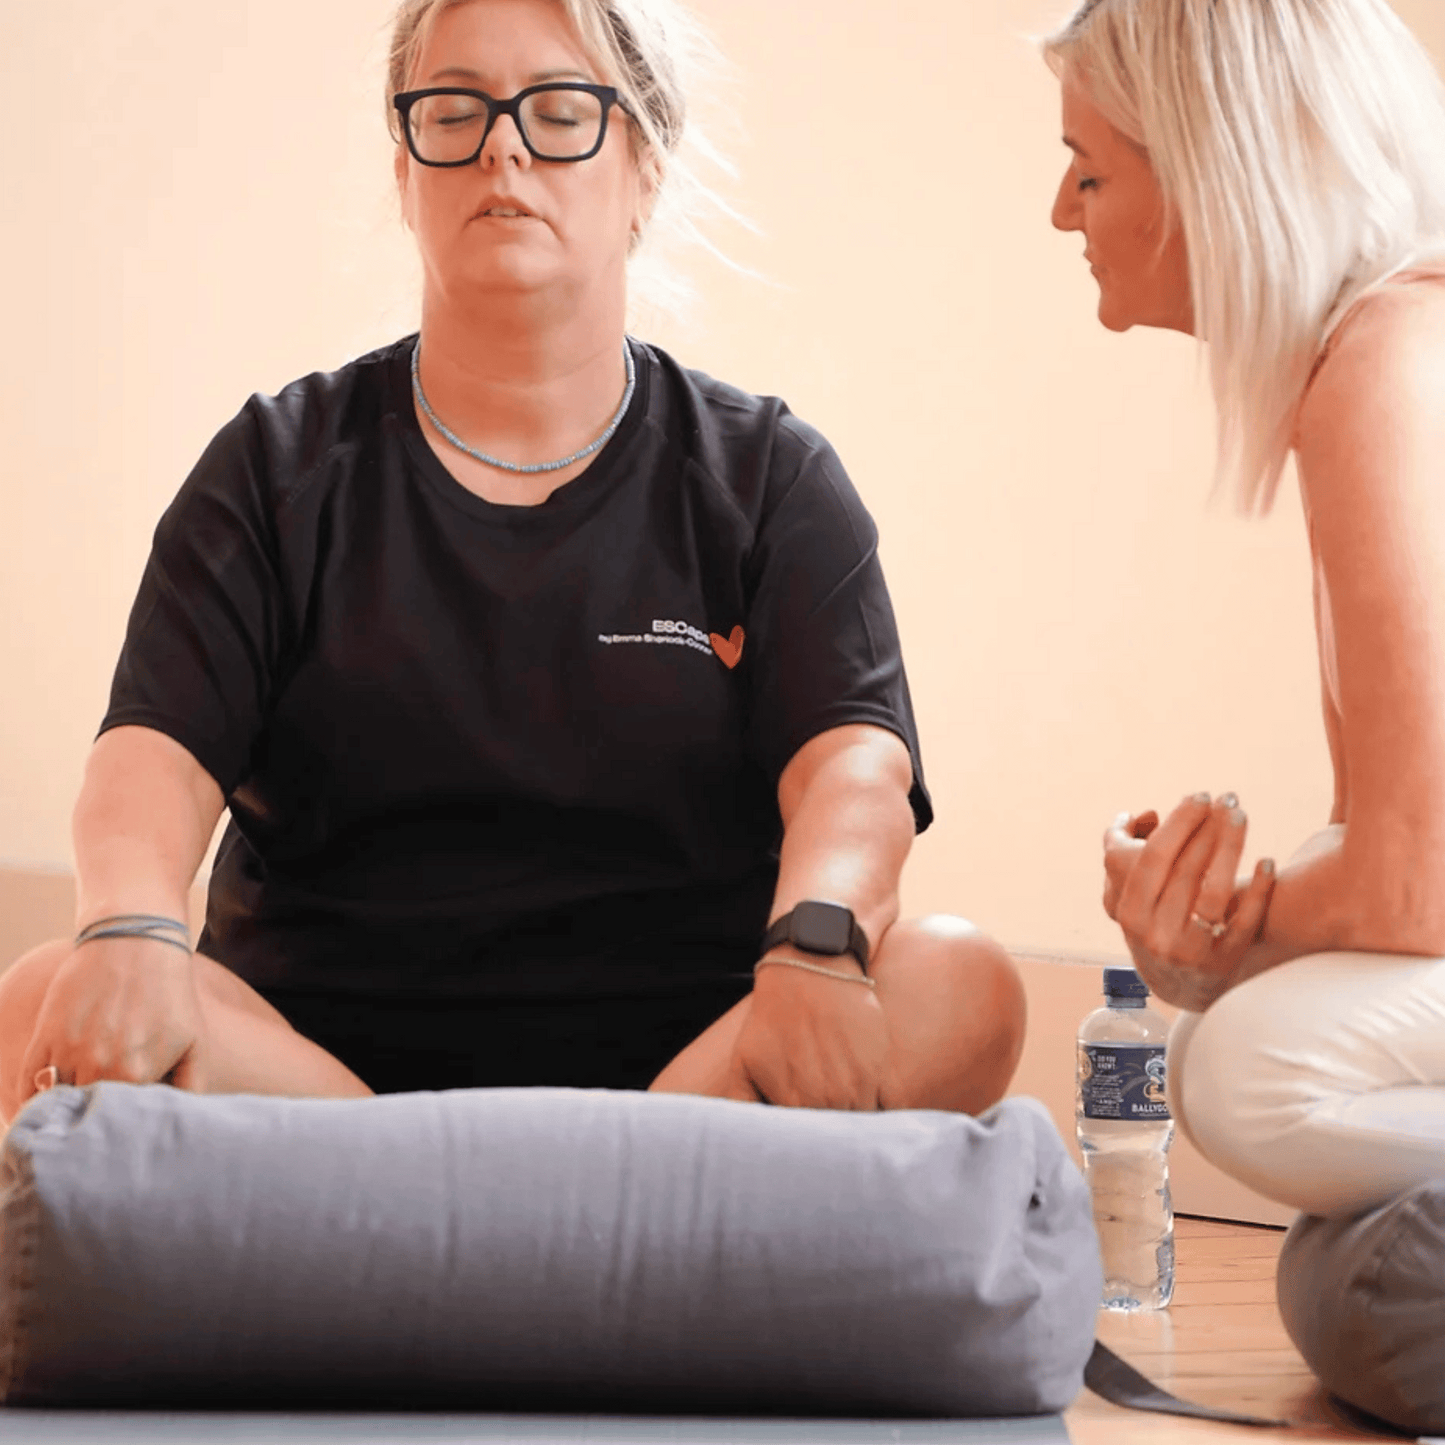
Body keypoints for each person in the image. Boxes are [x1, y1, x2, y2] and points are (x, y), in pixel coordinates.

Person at [0, 0, 1025, 1122]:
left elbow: (852, 771)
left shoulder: (767, 479)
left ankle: (457, 1257)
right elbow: (150, 755)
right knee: (38, 997)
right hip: (317, 1109)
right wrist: (134, 926)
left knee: (958, 980)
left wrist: (816, 942)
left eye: (558, 109)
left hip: (685, 1100)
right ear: (404, 171)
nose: (503, 145)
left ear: (643, 165)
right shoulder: (275, 467)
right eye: (455, 109)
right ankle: (543, 1252)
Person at [1045, 0, 1445, 1220]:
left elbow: (1413, 881)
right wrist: (1206, 937)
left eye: (1090, 168)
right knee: (1347, 1272)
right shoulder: (1385, 340)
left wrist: (1215, 933)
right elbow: (1395, 846)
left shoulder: (1383, 352)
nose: (1061, 210)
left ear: (1217, 172)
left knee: (1246, 1069)